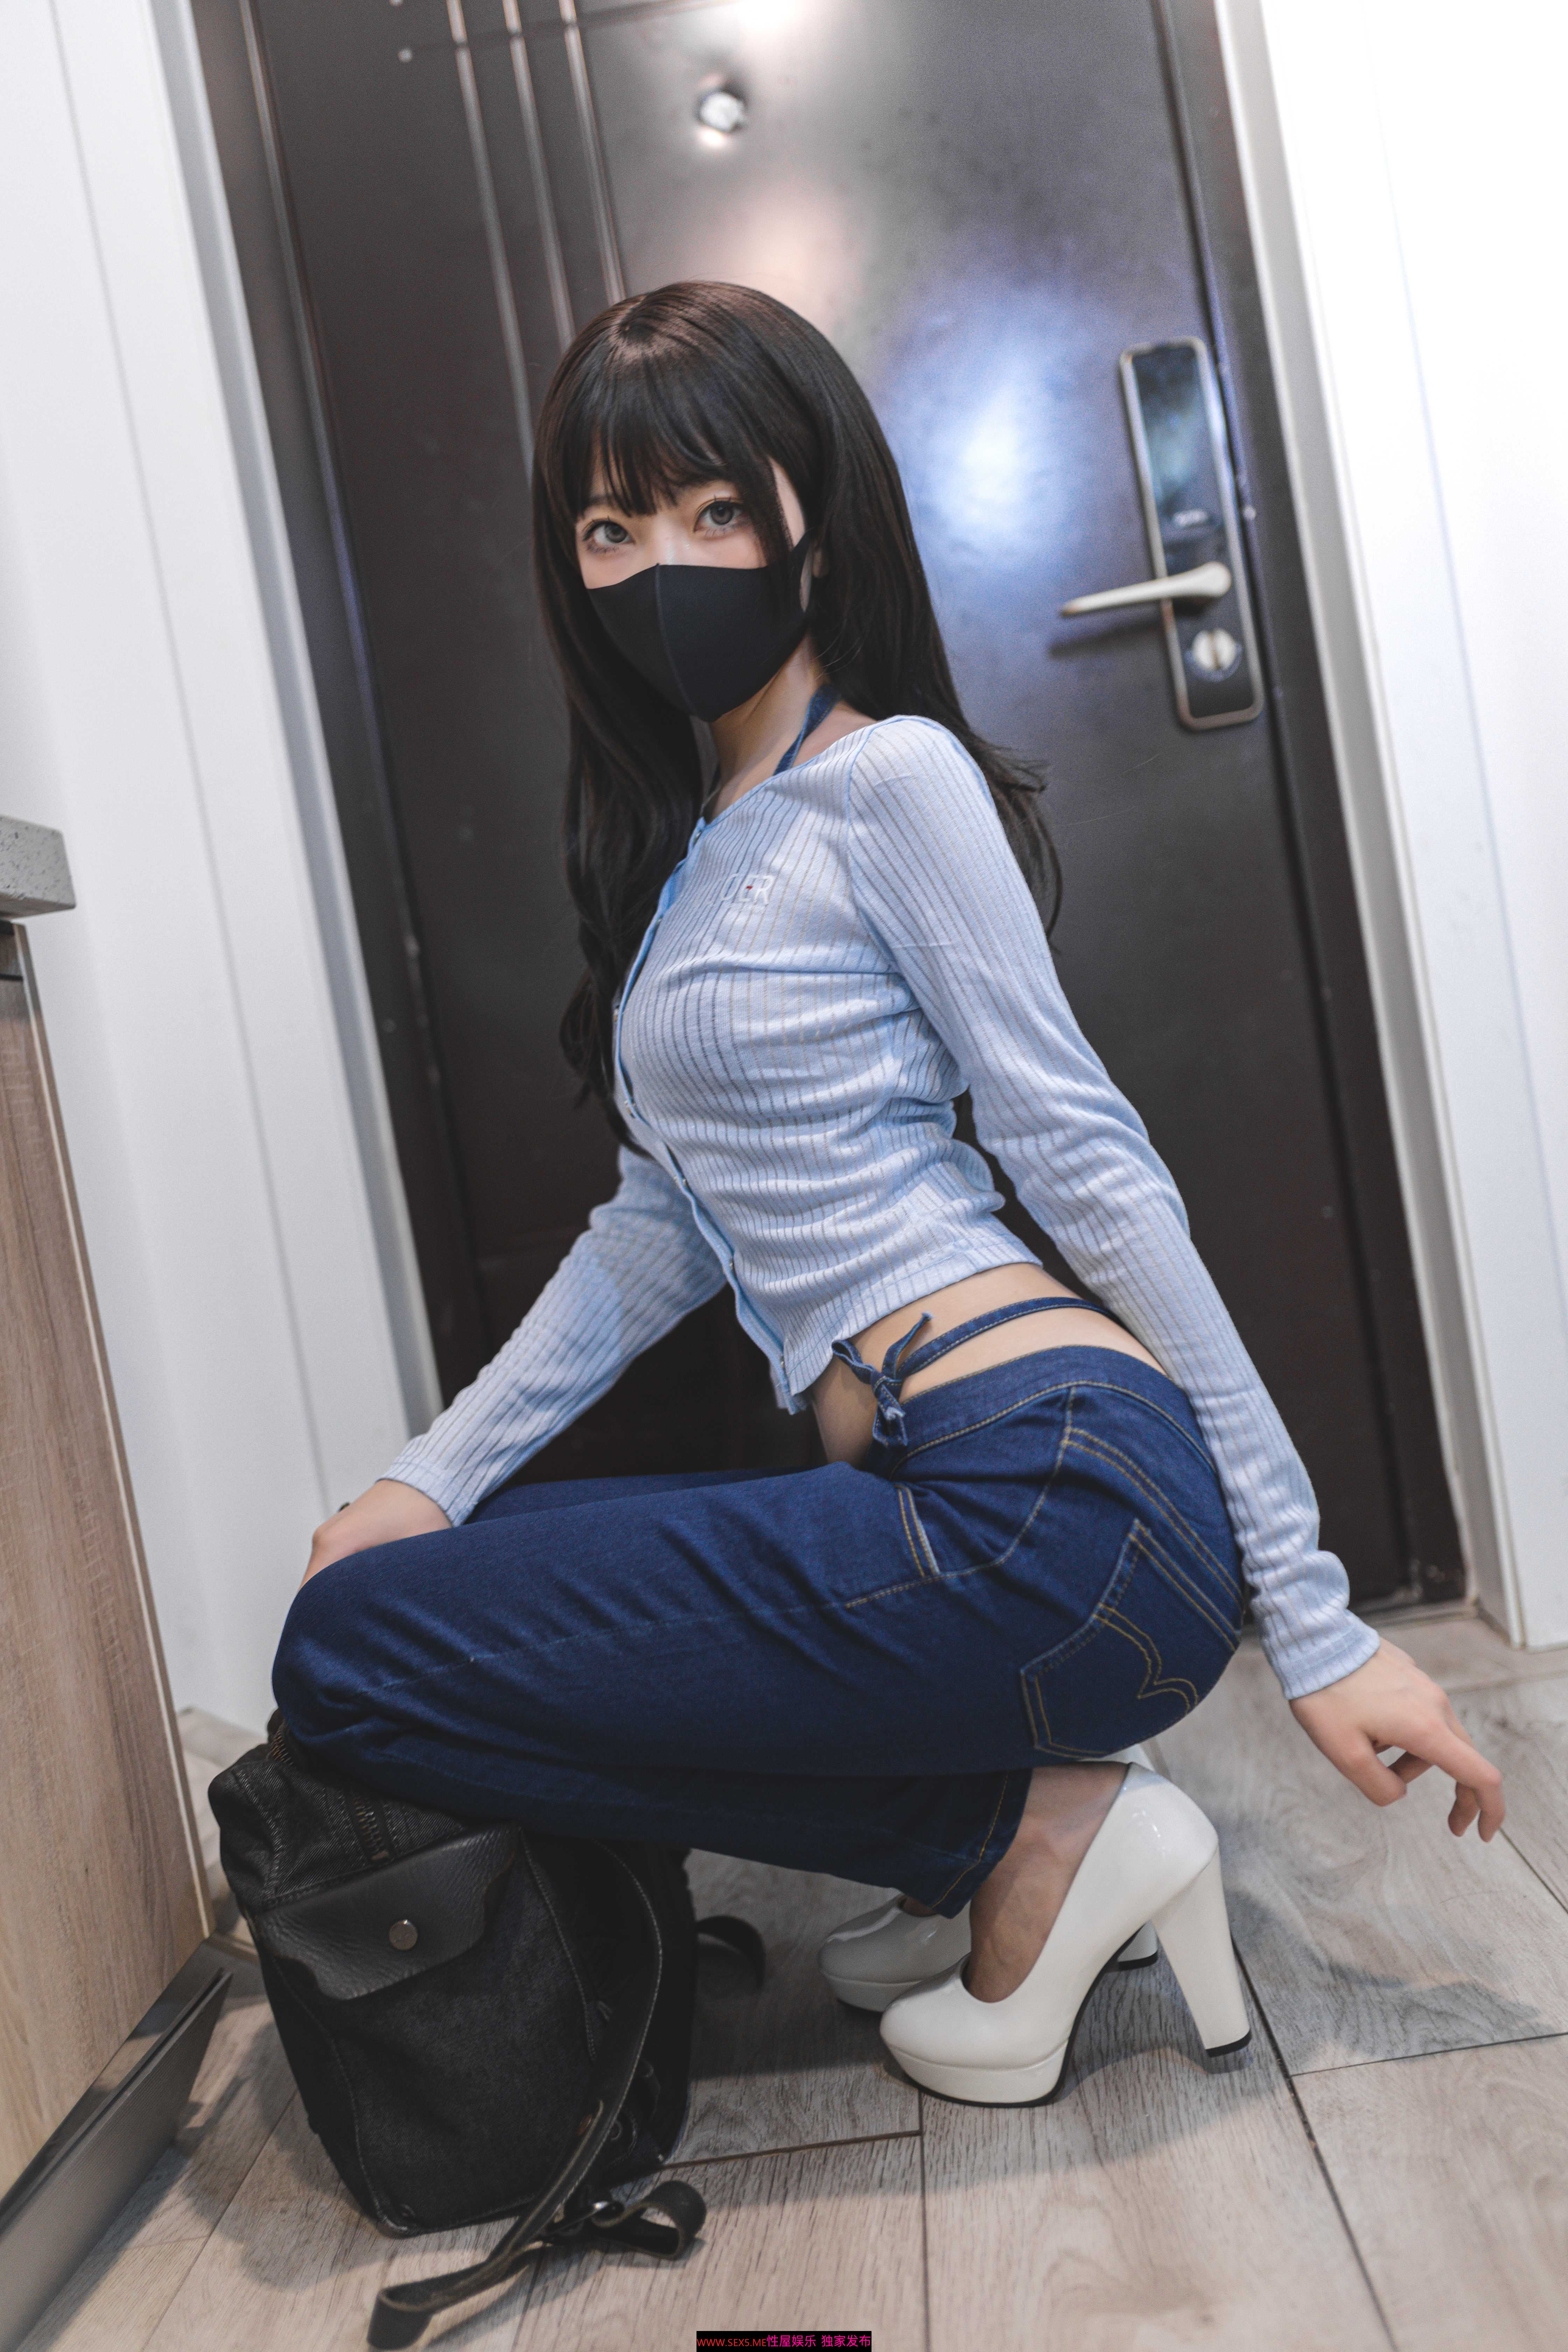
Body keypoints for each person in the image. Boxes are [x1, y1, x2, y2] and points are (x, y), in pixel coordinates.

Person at [275, 281, 1502, 2104]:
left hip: (1051, 1487)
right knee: (394, 1611)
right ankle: (1026, 1832)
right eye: (611, 527)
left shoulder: (890, 780)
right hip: (967, 1489)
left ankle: (1023, 1840)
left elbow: (1089, 1165)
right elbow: (659, 1228)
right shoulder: (698, 852)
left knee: (349, 1657)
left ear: (814, 526)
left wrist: (1313, 1620)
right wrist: (430, 1479)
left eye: (715, 509)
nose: (661, 567)